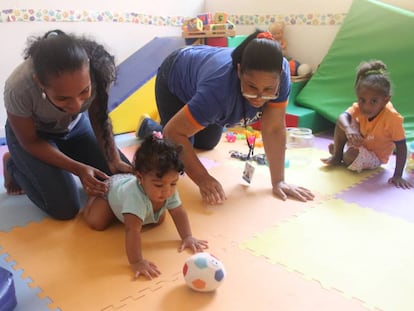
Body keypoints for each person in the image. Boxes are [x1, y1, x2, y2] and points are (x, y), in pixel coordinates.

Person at [136, 30, 315, 205]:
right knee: (174, 158)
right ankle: (149, 128)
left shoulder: (281, 73)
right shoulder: (218, 91)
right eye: (251, 87)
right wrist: (203, 178)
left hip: (204, 81)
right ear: (239, 71)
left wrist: (278, 181)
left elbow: (274, 128)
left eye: (268, 90)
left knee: (206, 143)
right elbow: (174, 132)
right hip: (176, 75)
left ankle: (179, 122)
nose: (260, 98)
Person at [2, 29, 132, 220]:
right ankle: (14, 163)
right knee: (65, 208)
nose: (76, 106)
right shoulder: (19, 88)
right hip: (34, 137)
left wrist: (114, 159)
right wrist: (78, 169)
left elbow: (99, 116)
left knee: (124, 180)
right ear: (40, 83)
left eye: (84, 92)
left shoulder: (98, 69)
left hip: (75, 129)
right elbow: (30, 141)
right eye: (63, 98)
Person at [83, 132, 208, 279]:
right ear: (140, 178)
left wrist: (187, 237)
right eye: (158, 185)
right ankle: (93, 197)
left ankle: (129, 210)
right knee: (97, 222)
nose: (167, 190)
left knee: (157, 220)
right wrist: (137, 262)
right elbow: (132, 231)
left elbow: (178, 211)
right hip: (111, 190)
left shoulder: (166, 189)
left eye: (173, 183)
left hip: (129, 193)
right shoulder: (135, 197)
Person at [321, 60, 412, 189]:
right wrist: (349, 129)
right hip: (360, 143)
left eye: (373, 101)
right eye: (362, 100)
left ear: (385, 100)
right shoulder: (359, 108)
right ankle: (337, 156)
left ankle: (342, 154)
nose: (366, 106)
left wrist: (398, 175)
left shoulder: (392, 118)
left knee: (350, 157)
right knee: (343, 123)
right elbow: (342, 117)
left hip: (375, 156)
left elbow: (402, 147)